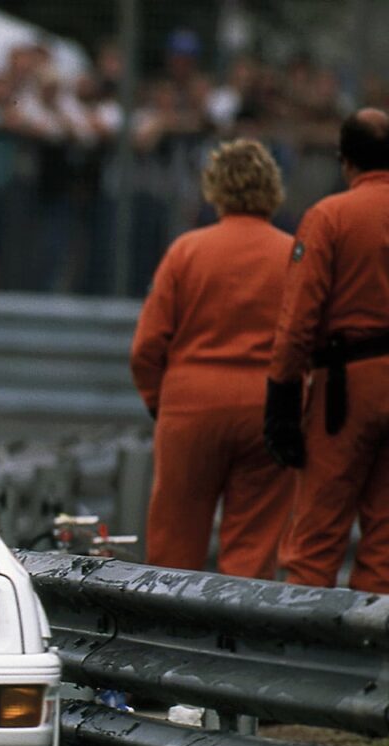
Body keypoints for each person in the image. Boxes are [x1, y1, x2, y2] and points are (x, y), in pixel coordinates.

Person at [130, 138, 293, 578]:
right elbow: (307, 341)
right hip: (266, 408)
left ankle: (165, 642)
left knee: (173, 547)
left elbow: (147, 345)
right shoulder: (294, 253)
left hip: (191, 406)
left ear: (214, 187)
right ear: (273, 189)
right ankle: (239, 641)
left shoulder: (187, 251)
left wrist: (158, 401)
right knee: (253, 550)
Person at [265, 108, 389, 592]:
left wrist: (281, 399)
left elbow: (298, 320)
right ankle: (374, 658)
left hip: (346, 389)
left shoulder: (331, 217)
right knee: (384, 542)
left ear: (345, 161)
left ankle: (306, 661)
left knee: (316, 537)